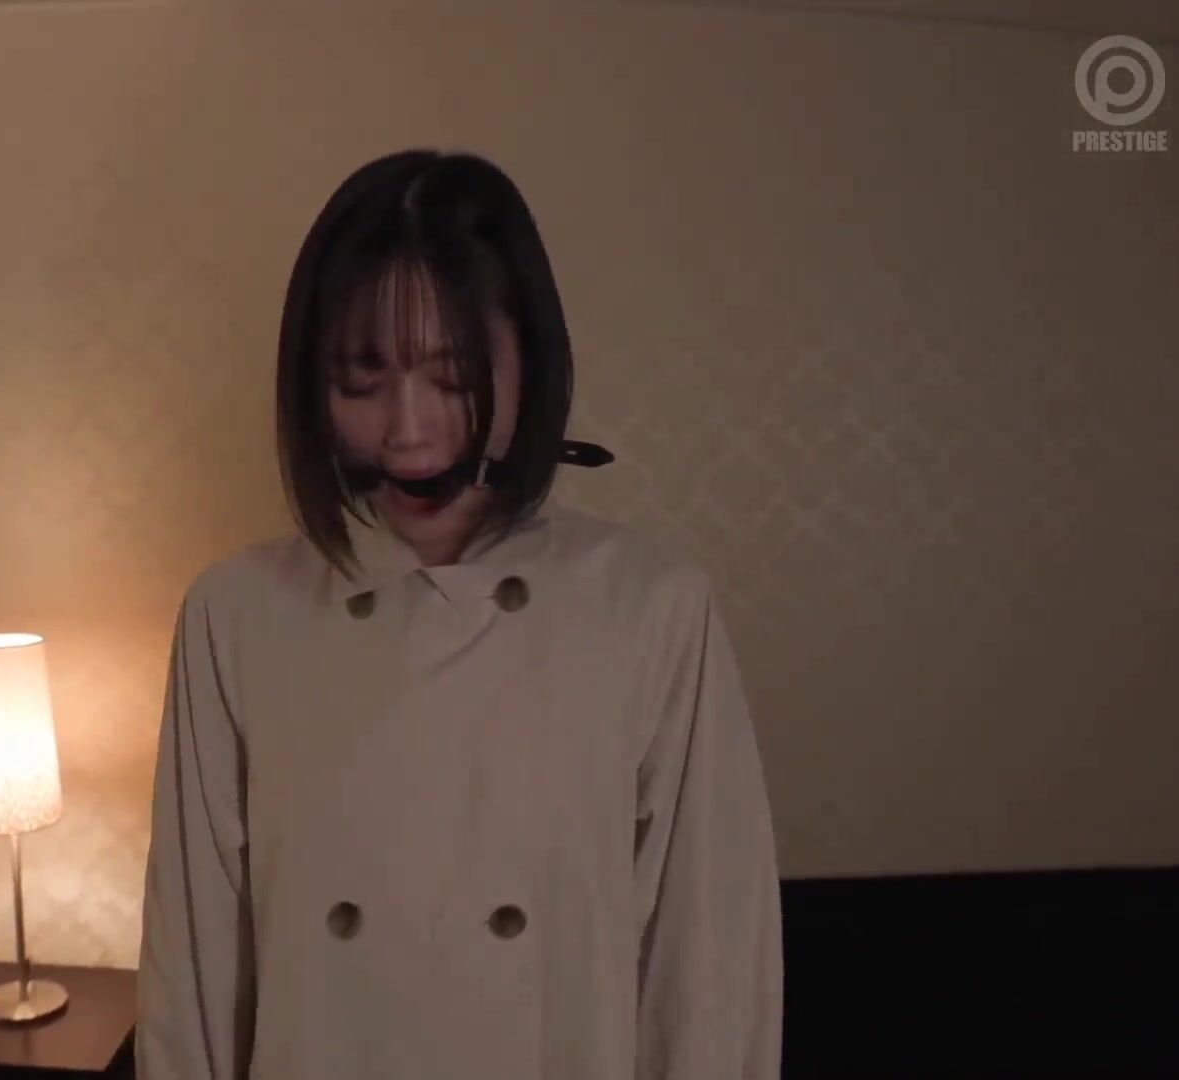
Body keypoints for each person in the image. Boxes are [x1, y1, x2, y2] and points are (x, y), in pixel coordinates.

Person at [137, 148, 781, 1080]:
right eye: (362, 383)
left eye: (452, 379)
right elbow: (191, 983)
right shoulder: (234, 617)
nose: (409, 434)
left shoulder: (650, 609)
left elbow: (708, 971)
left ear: (530, 364)